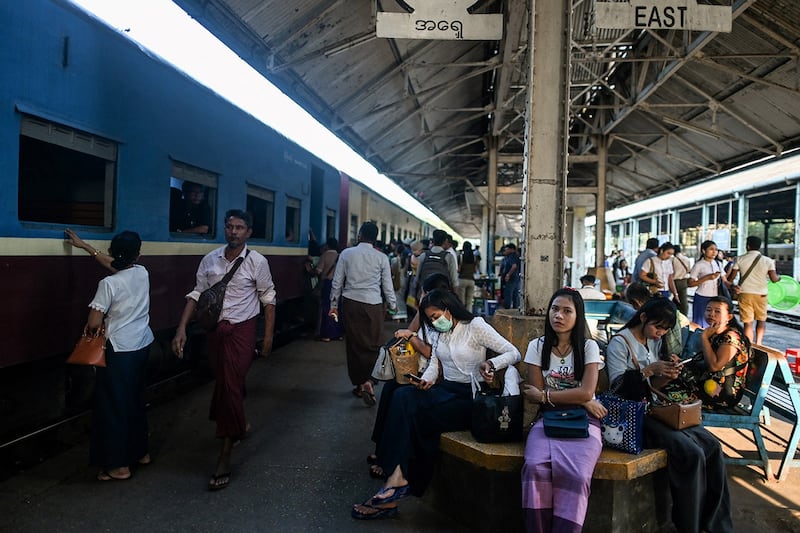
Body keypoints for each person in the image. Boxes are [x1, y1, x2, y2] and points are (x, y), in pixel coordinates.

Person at [351, 289, 520, 520]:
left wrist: (491, 363)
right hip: (445, 389)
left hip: (469, 397)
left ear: (449, 309)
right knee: (402, 395)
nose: (433, 321)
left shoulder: (475, 326)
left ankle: (396, 483)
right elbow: (434, 361)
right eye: (429, 318)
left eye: (436, 315)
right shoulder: (440, 331)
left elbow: (514, 352)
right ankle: (395, 477)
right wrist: (425, 380)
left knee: (419, 419)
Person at [606, 298, 733, 533]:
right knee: (691, 453)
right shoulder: (620, 343)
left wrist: (669, 372)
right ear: (643, 318)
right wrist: (648, 370)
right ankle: (689, 525)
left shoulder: (655, 341)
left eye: (665, 330)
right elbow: (616, 389)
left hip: (657, 409)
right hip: (635, 417)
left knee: (713, 446)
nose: (660, 334)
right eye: (658, 327)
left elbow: (655, 386)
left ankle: (717, 524)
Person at [171, 209, 276, 491]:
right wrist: (181, 328)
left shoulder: (257, 262)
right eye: (229, 226)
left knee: (230, 384)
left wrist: (267, 337)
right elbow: (196, 294)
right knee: (226, 381)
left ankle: (225, 454)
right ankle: (238, 422)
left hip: (242, 331)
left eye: (240, 227)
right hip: (215, 332)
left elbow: (268, 300)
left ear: (248, 232)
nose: (233, 231)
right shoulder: (210, 259)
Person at [65, 229, 154, 481]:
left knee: (114, 406)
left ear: (114, 251)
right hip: (142, 345)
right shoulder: (142, 272)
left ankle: (119, 466)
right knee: (135, 400)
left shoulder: (108, 284)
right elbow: (117, 265)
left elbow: (94, 322)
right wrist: (84, 246)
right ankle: (141, 454)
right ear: (138, 254)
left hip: (119, 350)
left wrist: (97, 319)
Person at [521, 288, 607, 532]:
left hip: (584, 421)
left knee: (578, 476)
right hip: (548, 418)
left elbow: (584, 392)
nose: (558, 315)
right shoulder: (537, 346)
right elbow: (536, 396)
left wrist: (576, 398)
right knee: (534, 466)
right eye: (555, 309)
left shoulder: (589, 347)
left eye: (567, 311)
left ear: (578, 316)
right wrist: (580, 398)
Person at [366, 273, 452, 480]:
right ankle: (381, 448)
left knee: (399, 396)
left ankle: (388, 459)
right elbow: (410, 330)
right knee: (389, 390)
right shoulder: (425, 311)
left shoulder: (446, 319)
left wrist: (413, 340)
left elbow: (434, 353)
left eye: (427, 293)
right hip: (418, 368)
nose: (424, 297)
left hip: (436, 376)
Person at [329, 221, 397, 407]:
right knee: (373, 344)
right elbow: (387, 284)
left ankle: (361, 383)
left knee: (355, 344)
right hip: (374, 304)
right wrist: (392, 303)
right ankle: (370, 380)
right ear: (375, 238)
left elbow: (337, 281)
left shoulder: (347, 254)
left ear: (359, 235)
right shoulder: (381, 257)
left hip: (351, 303)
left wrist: (333, 304)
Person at [662, 297, 750, 408]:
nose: (711, 314)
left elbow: (714, 366)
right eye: (708, 310)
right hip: (706, 384)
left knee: (663, 394)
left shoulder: (731, 337)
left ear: (729, 317)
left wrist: (704, 337)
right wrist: (680, 362)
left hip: (720, 393)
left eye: (717, 311)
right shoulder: (715, 333)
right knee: (660, 383)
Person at [727, 236, 780, 344]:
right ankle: (759, 343)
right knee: (761, 320)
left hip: (745, 293)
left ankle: (749, 344)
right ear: (759, 246)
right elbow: (774, 279)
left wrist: (733, 286)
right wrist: (780, 278)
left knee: (748, 323)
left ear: (747, 246)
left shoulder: (740, 259)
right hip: (761, 294)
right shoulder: (768, 261)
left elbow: (731, 279)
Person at [688, 240, 723, 327]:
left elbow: (725, 280)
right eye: (711, 249)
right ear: (704, 251)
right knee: (700, 323)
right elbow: (690, 283)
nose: (714, 252)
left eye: (716, 249)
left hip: (714, 297)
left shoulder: (718, 263)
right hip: (702, 296)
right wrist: (707, 278)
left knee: (712, 321)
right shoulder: (699, 265)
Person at [315, 237, 343, 342]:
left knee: (327, 308)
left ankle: (326, 334)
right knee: (337, 308)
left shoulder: (325, 255)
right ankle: (337, 334)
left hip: (328, 284)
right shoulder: (340, 256)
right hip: (339, 285)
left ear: (327, 245)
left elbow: (318, 271)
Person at [671, 244, 692, 316]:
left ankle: (672, 313)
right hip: (683, 281)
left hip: (674, 282)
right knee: (683, 300)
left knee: (672, 297)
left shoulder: (672, 259)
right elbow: (689, 270)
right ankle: (684, 315)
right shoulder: (686, 259)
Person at [500, 243, 521, 309]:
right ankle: (515, 309)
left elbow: (514, 266)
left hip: (511, 279)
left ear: (512, 249)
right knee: (515, 295)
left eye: (507, 249)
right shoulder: (514, 256)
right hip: (516, 278)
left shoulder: (512, 256)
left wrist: (508, 275)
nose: (505, 251)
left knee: (508, 295)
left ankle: (507, 310)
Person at [457, 241, 477, 309]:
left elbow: (458, 270)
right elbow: (475, 270)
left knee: (461, 302)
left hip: (462, 280)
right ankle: (469, 317)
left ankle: (462, 317)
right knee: (469, 302)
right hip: (471, 280)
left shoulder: (461, 257)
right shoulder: (474, 258)